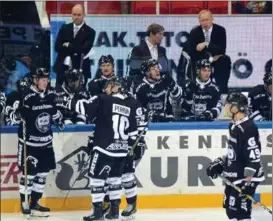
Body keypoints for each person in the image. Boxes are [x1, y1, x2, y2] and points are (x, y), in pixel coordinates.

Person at [68, 77, 139, 221]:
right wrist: (126, 148)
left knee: (96, 180)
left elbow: (83, 108)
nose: (106, 89)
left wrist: (67, 100)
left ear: (115, 87)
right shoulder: (128, 106)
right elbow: (133, 133)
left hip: (104, 149)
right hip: (121, 151)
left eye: (108, 86)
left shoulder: (104, 99)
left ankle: (98, 212)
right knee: (114, 180)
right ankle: (114, 211)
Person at [206, 92, 265, 221]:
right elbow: (237, 152)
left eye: (229, 104)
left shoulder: (248, 128)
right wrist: (222, 163)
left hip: (245, 177)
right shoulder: (234, 125)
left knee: (240, 213)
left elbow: (253, 157)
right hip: (235, 174)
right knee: (231, 211)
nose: (226, 107)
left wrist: (248, 183)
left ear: (238, 107)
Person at [17, 68, 64, 218]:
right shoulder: (27, 96)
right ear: (36, 81)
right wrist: (20, 113)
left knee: (42, 174)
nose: (46, 82)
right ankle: (24, 203)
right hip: (30, 143)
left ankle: (34, 203)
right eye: (43, 79)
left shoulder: (50, 95)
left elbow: (55, 113)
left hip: (46, 143)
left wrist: (59, 118)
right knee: (29, 175)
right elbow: (17, 115)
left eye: (47, 79)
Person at [188, 9, 231, 93]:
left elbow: (222, 49)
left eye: (207, 20)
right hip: (200, 59)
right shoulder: (194, 32)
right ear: (199, 22)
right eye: (202, 20)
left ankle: (222, 89)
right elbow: (191, 51)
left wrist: (206, 44)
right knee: (195, 61)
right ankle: (196, 89)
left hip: (216, 59)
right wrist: (206, 58)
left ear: (212, 19)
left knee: (225, 59)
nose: (205, 23)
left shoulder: (220, 30)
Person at [53, 4, 96, 86]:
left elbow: (84, 50)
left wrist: (68, 45)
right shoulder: (64, 28)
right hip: (62, 68)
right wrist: (75, 48)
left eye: (79, 15)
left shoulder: (90, 32)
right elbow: (57, 47)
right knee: (59, 93)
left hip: (80, 68)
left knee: (78, 94)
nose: (76, 17)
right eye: (74, 14)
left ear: (84, 15)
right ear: (71, 14)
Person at [127, 23, 169, 95]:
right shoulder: (138, 50)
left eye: (162, 34)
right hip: (143, 90)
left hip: (160, 89)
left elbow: (165, 70)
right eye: (160, 34)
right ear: (152, 34)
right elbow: (133, 72)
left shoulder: (162, 50)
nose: (162, 37)